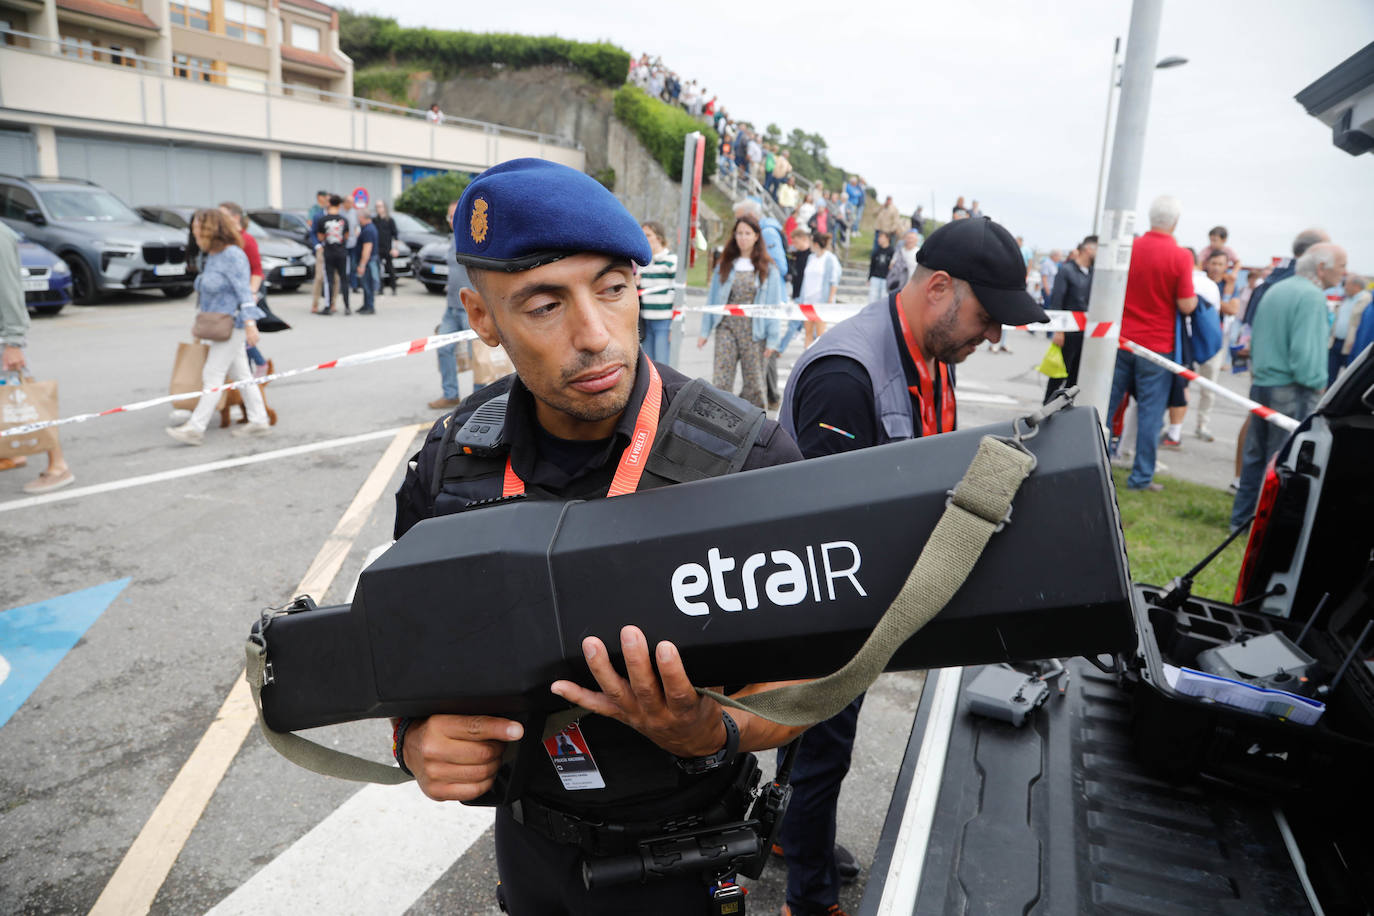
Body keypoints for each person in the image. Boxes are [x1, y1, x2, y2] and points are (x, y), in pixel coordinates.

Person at [393, 158, 809, 915]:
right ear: (481, 318)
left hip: (686, 859)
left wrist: (710, 731)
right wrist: (413, 738)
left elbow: (823, 680)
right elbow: (407, 650)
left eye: (613, 289)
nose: (595, 336)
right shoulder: (450, 465)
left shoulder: (751, 463)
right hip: (533, 854)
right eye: (545, 306)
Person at [776, 216, 1047, 916]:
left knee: (812, 739)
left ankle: (787, 834)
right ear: (937, 288)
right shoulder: (847, 375)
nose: (991, 337)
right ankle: (805, 896)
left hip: (872, 593)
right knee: (823, 739)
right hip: (829, 602)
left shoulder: (927, 355)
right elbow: (829, 533)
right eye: (986, 318)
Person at [1230, 243, 1346, 530]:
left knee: (1256, 457)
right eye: (1340, 266)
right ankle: (1267, 528)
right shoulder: (1311, 297)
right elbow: (1306, 355)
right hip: (1293, 389)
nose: (1343, 273)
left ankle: (1242, 521)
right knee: (1285, 463)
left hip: (1264, 382)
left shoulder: (1277, 289)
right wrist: (1320, 388)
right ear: (1321, 268)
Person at [1106, 195, 1196, 491]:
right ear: (1175, 222)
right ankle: (1141, 476)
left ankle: (1095, 462)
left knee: (1106, 406)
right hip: (1157, 346)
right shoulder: (1181, 256)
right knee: (1149, 413)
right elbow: (1186, 304)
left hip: (1122, 340)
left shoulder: (1130, 248)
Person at [166, 208, 270, 445]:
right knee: (242, 374)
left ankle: (195, 427)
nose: (194, 231)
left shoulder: (233, 255)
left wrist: (250, 324)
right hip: (216, 323)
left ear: (211, 228)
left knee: (212, 374)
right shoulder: (211, 255)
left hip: (231, 323)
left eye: (198, 227)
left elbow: (244, 291)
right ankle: (259, 420)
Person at [0, 222, 74, 492]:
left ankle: (59, 466)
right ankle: (10, 452)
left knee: (28, 399)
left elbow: (8, 289)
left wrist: (13, 341)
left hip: (2, 338)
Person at [698, 214, 784, 409]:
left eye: (747, 233)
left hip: (754, 331)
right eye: (739, 233)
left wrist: (772, 340)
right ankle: (718, 420)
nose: (743, 238)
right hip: (726, 326)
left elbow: (772, 307)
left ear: (756, 237)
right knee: (721, 380)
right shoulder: (725, 265)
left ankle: (754, 427)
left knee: (754, 384)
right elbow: (712, 301)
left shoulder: (768, 268)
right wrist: (705, 331)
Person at [429, 200, 474, 410]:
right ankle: (450, 394)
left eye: (455, 216)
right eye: (449, 217)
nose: (452, 220)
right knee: (444, 348)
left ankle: (480, 399)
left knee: (479, 356)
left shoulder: (475, 237)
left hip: (472, 308)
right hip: (452, 307)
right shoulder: (453, 238)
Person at [1192, 250, 1237, 441]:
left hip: (1214, 342)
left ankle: (1202, 424)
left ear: (1226, 266)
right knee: (1180, 383)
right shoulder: (1197, 280)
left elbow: (1232, 309)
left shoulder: (1229, 286)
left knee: (1209, 386)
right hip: (1192, 338)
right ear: (1206, 264)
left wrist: (1224, 296)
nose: (1217, 267)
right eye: (1214, 263)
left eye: (1221, 264)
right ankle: (1172, 427)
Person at [1045, 236, 1096, 403]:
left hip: (1086, 332)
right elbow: (1057, 300)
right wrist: (1058, 331)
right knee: (1059, 373)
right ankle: (1047, 405)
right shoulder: (1066, 270)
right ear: (1088, 249)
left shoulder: (1095, 273)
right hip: (1068, 331)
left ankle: (1068, 409)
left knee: (1077, 375)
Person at [638, 221, 677, 366]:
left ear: (659, 237)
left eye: (648, 235)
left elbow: (679, 296)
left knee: (662, 364)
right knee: (649, 365)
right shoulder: (643, 263)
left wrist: (677, 326)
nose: (645, 238)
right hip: (646, 320)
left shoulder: (671, 261)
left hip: (664, 321)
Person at [800, 232, 841, 349]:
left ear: (816, 244)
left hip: (821, 302)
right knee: (807, 333)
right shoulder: (810, 258)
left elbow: (834, 281)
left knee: (820, 335)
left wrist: (829, 300)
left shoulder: (830, 259)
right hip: (808, 301)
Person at [1328, 274, 1370, 387]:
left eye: (1346, 284)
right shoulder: (1345, 298)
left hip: (1351, 345)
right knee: (1330, 376)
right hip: (1335, 342)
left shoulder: (1366, 300)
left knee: (1350, 378)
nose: (1344, 287)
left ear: (1356, 286)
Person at [313, 195, 349, 315]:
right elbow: (347, 236)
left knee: (329, 280)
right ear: (339, 205)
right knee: (343, 279)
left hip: (329, 252)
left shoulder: (323, 220)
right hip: (342, 252)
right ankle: (347, 306)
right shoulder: (344, 220)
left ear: (329, 204)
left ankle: (328, 306)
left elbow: (320, 237)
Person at [354, 209, 379, 314]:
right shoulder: (369, 228)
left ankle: (370, 307)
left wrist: (362, 265)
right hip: (369, 261)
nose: (358, 219)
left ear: (362, 217)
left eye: (358, 217)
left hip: (368, 262)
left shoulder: (368, 230)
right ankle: (366, 305)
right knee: (365, 285)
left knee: (368, 285)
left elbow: (367, 249)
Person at [374, 201, 401, 295]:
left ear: (384, 208)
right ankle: (380, 289)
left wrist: (395, 248)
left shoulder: (390, 220)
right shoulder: (375, 220)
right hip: (378, 249)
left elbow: (395, 235)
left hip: (388, 248)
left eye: (380, 206)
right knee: (379, 269)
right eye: (377, 207)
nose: (378, 208)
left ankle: (393, 288)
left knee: (390, 269)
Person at [308, 189, 328, 313]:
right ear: (319, 197)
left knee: (333, 278)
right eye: (324, 197)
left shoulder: (332, 211)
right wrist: (317, 245)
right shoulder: (315, 211)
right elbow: (311, 226)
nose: (326, 199)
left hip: (332, 248)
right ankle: (315, 303)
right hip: (321, 247)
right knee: (319, 277)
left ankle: (331, 303)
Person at [886, 228, 921, 294]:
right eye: (908, 238)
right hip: (898, 285)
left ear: (916, 240)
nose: (910, 240)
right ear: (904, 239)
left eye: (912, 238)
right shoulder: (899, 252)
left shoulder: (919, 253)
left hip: (912, 286)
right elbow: (891, 266)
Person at [868, 231, 893, 302]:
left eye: (881, 237)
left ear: (887, 238)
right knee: (872, 299)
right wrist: (869, 278)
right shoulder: (876, 251)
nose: (878, 239)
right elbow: (872, 265)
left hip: (886, 279)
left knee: (883, 299)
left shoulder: (892, 251)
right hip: (875, 278)